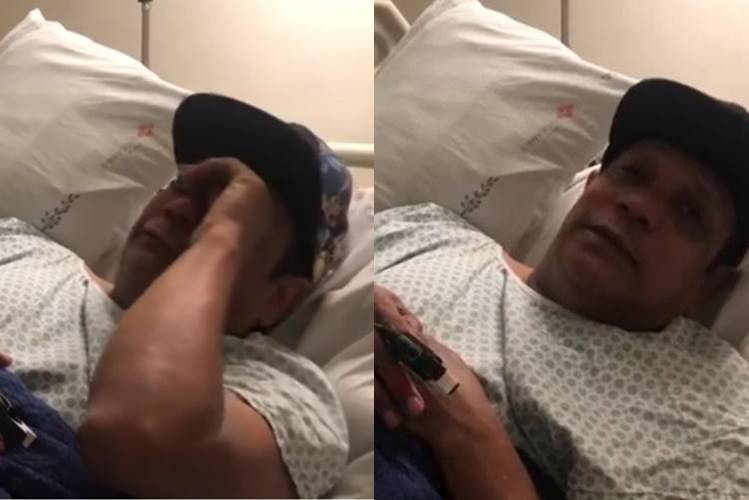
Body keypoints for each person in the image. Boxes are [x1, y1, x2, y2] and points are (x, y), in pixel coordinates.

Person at [374, 79, 749, 499]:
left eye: (690, 212)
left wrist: (465, 428)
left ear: (711, 284)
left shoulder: (709, 408)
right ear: (590, 187)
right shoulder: (426, 231)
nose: (639, 205)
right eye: (632, 174)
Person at [0, 93, 353, 498]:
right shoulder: (21, 247)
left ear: (278, 298)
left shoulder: (290, 397)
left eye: (224, 206)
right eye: (182, 184)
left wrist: (220, 235)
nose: (180, 207)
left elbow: (137, 431)